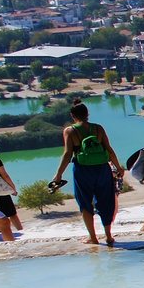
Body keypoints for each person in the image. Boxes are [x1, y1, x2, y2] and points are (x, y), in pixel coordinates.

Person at [54, 101, 125, 246]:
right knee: (105, 201)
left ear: (72, 116)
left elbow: (67, 154)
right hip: (103, 169)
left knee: (85, 202)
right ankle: (108, 236)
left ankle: (93, 237)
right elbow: (109, 149)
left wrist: (59, 174)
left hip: (83, 170)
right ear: (88, 114)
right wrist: (118, 167)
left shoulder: (70, 131)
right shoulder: (98, 129)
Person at [0, 155, 21, 234]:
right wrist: (13, 189)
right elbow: (5, 175)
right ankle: (20, 230)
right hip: (0, 190)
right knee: (12, 213)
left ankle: (1, 231)